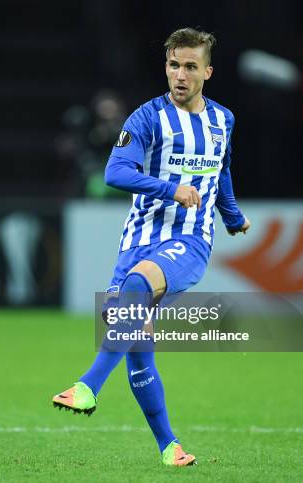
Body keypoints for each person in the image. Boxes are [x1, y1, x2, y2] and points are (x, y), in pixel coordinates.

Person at [52, 28, 251, 467]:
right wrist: (170, 188)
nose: (180, 75)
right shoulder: (146, 118)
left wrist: (231, 216)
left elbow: (222, 170)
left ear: (207, 72)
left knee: (140, 286)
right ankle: (169, 448)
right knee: (137, 349)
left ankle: (87, 386)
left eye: (190, 67)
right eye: (173, 65)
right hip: (137, 242)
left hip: (190, 242)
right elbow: (115, 173)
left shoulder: (223, 120)